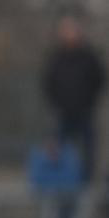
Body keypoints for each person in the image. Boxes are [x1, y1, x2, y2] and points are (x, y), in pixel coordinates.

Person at [41, 15, 105, 182]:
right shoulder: (57, 58)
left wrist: (90, 100)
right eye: (66, 32)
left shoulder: (89, 57)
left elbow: (99, 80)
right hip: (63, 112)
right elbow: (48, 82)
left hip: (85, 110)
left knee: (88, 147)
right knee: (58, 147)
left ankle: (87, 180)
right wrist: (56, 102)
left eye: (72, 31)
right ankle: (61, 180)